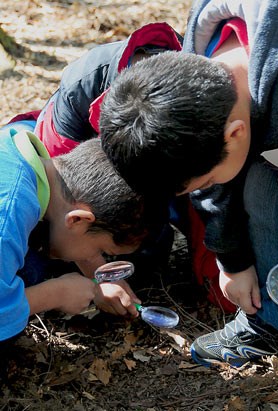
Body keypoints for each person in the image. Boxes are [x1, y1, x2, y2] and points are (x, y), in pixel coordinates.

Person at [98, 0, 278, 407]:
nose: (206, 185)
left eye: (207, 176)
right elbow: (210, 181)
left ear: (233, 133)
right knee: (260, 186)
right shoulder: (200, 71)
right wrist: (232, 260)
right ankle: (277, 327)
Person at [5, 22, 236, 313]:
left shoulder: (196, 132)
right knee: (31, 271)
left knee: (149, 251)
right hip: (63, 205)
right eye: (102, 252)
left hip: (75, 207)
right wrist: (59, 291)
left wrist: (227, 275)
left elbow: (216, 208)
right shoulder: (83, 91)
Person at [0, 127, 151, 351]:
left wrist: (99, 277)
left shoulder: (22, 151)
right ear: (78, 220)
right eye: (100, 249)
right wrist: (53, 294)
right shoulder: (9, 215)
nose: (96, 257)